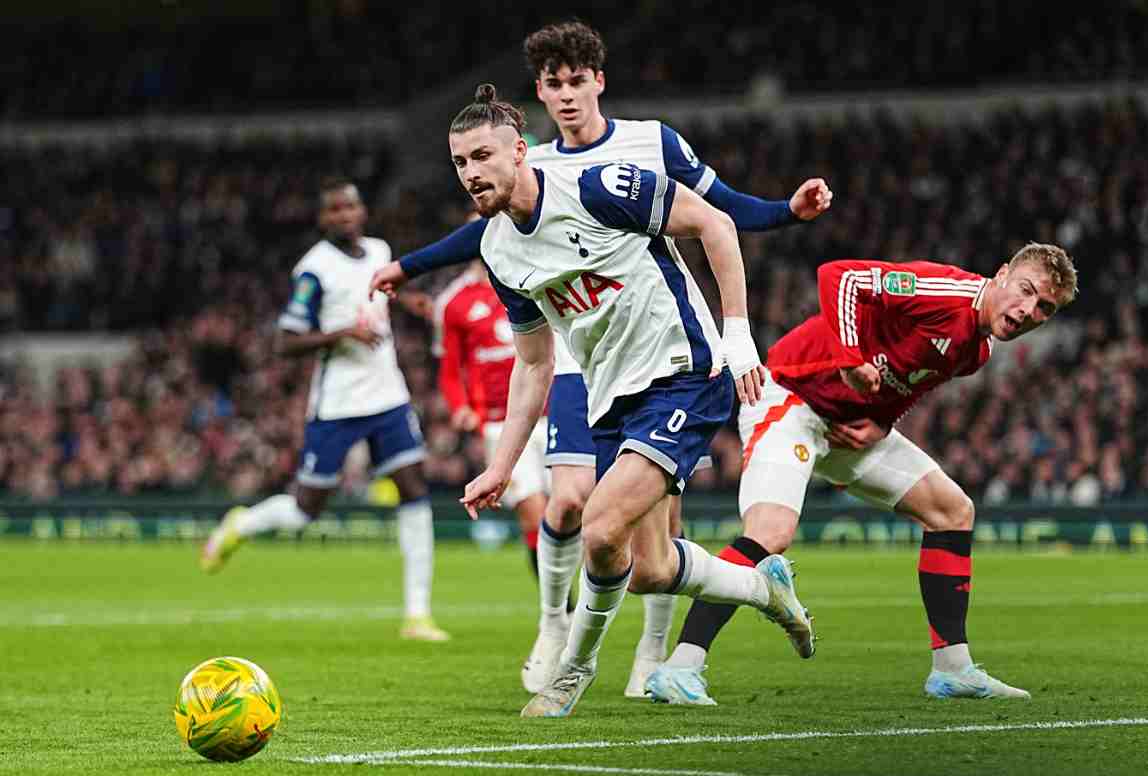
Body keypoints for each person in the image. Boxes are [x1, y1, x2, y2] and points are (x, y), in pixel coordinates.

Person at [370, 20, 831, 698]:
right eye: (459, 163)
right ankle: (766, 590)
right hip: (604, 387)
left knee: (597, 521)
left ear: (520, 151)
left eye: (482, 157)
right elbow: (532, 364)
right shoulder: (497, 250)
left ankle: (572, 671)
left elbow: (718, 218)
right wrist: (499, 465)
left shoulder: (608, 177)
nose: (470, 173)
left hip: (682, 369)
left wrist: (739, 336)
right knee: (644, 566)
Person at [647, 245, 1078, 705]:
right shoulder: (946, 292)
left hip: (847, 427)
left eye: (1044, 309)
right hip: (791, 398)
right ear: (1003, 273)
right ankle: (680, 667)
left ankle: (953, 669)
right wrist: (851, 359)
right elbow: (841, 277)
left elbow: (914, 380)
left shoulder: (977, 349)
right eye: (1026, 291)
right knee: (770, 533)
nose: (1028, 310)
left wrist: (883, 424)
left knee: (952, 511)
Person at [200, 177, 448, 643]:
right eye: (334, 210)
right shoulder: (313, 270)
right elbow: (285, 341)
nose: (344, 216)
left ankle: (417, 614)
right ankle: (244, 522)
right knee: (306, 509)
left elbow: (381, 295)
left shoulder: (379, 250)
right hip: (338, 404)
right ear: (322, 218)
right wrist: (342, 334)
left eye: (350, 207)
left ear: (362, 211)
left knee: (414, 489)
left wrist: (410, 302)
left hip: (388, 395)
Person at [431, 253, 550, 581]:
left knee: (572, 510)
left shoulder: (535, 273)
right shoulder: (453, 302)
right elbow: (450, 370)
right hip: (501, 422)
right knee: (533, 513)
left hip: (555, 411)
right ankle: (559, 609)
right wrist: (461, 408)